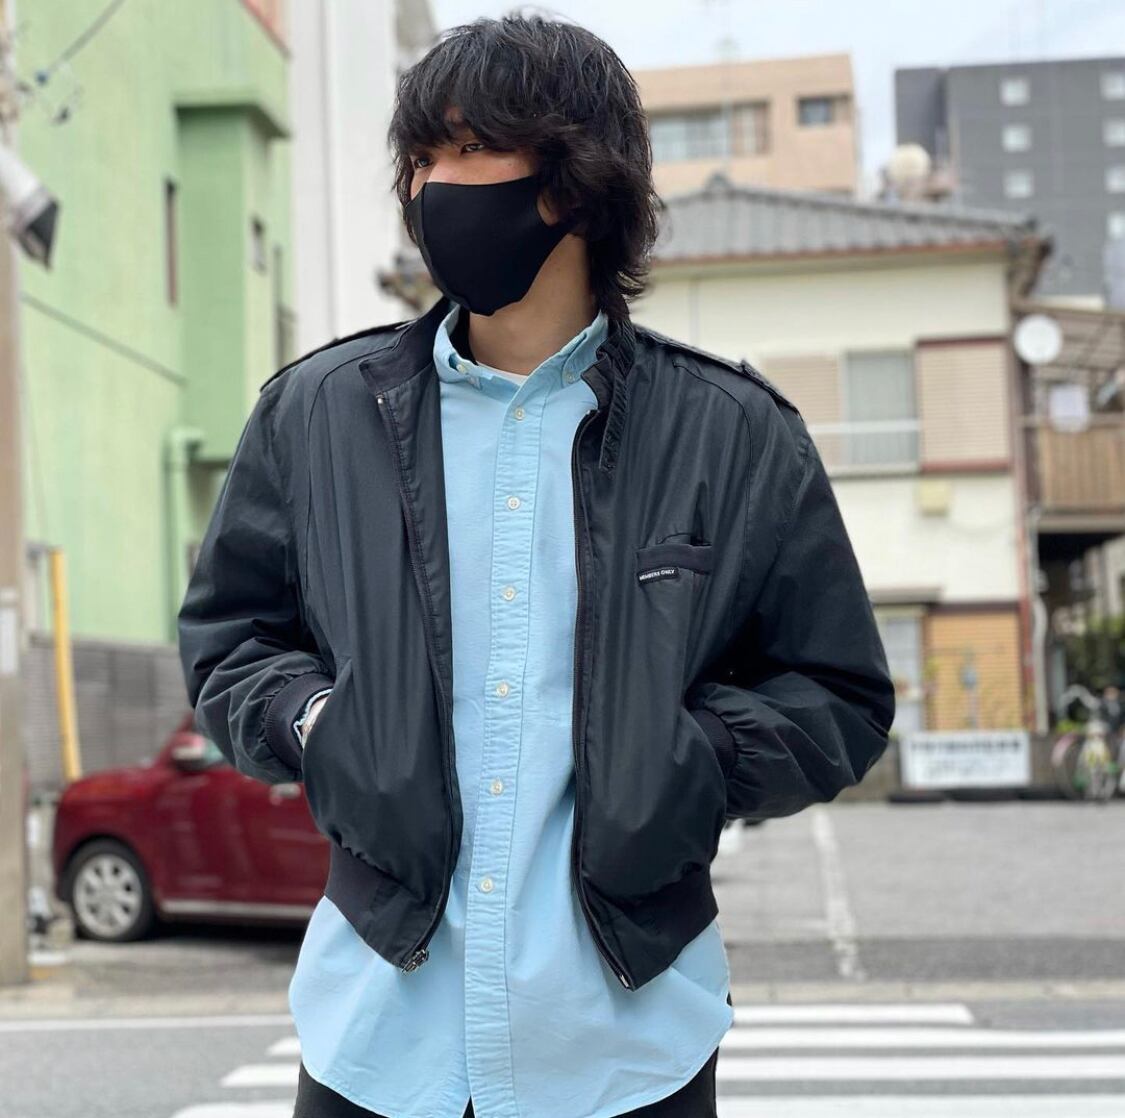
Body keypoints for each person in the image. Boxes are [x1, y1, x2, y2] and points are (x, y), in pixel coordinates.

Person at [177, 13, 896, 1118]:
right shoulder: (316, 416)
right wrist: (317, 722)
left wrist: (693, 754)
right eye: (420, 157)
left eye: (469, 149)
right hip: (376, 1035)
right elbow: (231, 639)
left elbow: (837, 692)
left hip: (626, 1046)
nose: (431, 185)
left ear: (574, 180)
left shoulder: (732, 433)